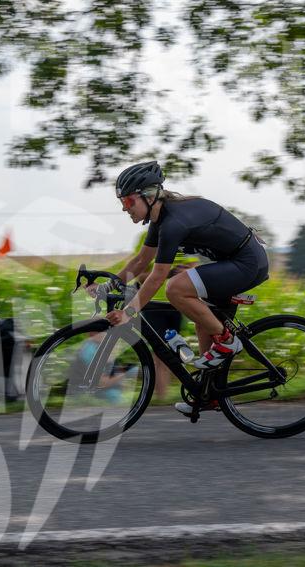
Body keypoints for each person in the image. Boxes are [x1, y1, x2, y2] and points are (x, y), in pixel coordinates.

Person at [86, 161, 269, 415]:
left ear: (148, 196)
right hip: (232, 263)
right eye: (122, 202)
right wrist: (109, 285)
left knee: (176, 288)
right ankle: (210, 394)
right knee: (202, 322)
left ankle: (227, 341)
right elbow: (141, 262)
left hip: (247, 264)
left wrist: (129, 312)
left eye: (128, 201)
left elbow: (157, 276)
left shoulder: (174, 222)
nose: (124, 208)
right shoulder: (159, 220)